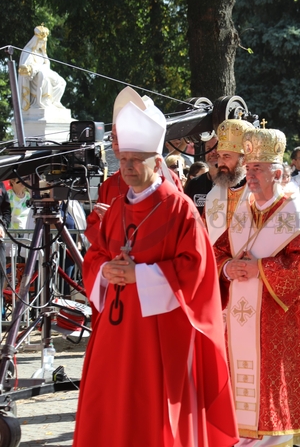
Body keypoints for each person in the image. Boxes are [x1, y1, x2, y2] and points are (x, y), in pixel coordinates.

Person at [74, 93, 238, 447]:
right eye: (123, 160)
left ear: (155, 159)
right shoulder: (115, 206)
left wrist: (141, 276)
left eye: (136, 160)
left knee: (149, 415)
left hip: (157, 334)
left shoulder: (177, 208)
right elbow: (96, 254)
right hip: (114, 332)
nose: (127, 167)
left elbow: (196, 269)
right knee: (110, 409)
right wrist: (104, 271)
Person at [212, 126, 300, 445]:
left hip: (278, 320)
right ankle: (246, 435)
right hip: (240, 316)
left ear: (278, 172)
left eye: (258, 169)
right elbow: (220, 250)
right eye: (249, 168)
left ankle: (273, 436)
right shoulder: (244, 210)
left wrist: (259, 268)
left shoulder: (293, 214)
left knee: (272, 386)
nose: (250, 175)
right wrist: (226, 267)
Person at [85, 87, 183, 248]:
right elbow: (94, 236)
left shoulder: (169, 181)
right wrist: (107, 223)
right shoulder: (109, 185)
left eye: (120, 137)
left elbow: (175, 228)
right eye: (113, 137)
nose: (115, 143)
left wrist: (117, 219)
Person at [203, 119, 254, 244]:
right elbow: (203, 237)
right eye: (219, 156)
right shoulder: (212, 196)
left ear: (244, 160)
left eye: (226, 156)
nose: (220, 163)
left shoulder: (260, 193)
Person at [18, 25, 68, 111]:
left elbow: (47, 64)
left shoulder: (41, 52)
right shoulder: (28, 50)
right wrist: (32, 69)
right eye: (40, 42)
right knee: (46, 81)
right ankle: (43, 102)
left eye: (43, 43)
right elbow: (26, 68)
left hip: (45, 72)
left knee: (62, 82)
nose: (41, 44)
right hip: (35, 76)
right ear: (35, 41)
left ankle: (55, 101)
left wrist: (45, 58)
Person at [184, 135, 219, 214]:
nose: (212, 152)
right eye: (208, 149)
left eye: (216, 148)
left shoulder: (231, 183)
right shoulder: (194, 184)